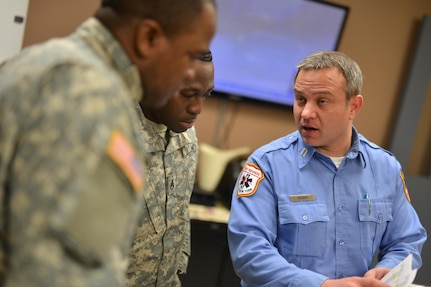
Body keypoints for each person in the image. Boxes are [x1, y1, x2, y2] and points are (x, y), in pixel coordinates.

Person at [0, 0, 217, 286]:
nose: (189, 72)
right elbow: (61, 273)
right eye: (187, 55)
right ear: (148, 38)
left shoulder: (36, 62)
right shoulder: (93, 96)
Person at [227, 50, 427, 287]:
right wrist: (322, 285)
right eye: (300, 99)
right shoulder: (265, 165)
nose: (306, 113)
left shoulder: (385, 168)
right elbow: (249, 255)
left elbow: (406, 241)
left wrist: (388, 269)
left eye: (322, 101)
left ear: (353, 106)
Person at [126, 50, 214, 287]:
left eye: (206, 95)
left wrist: (178, 264)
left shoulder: (186, 135)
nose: (197, 108)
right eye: (188, 94)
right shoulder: (114, 137)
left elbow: (179, 209)